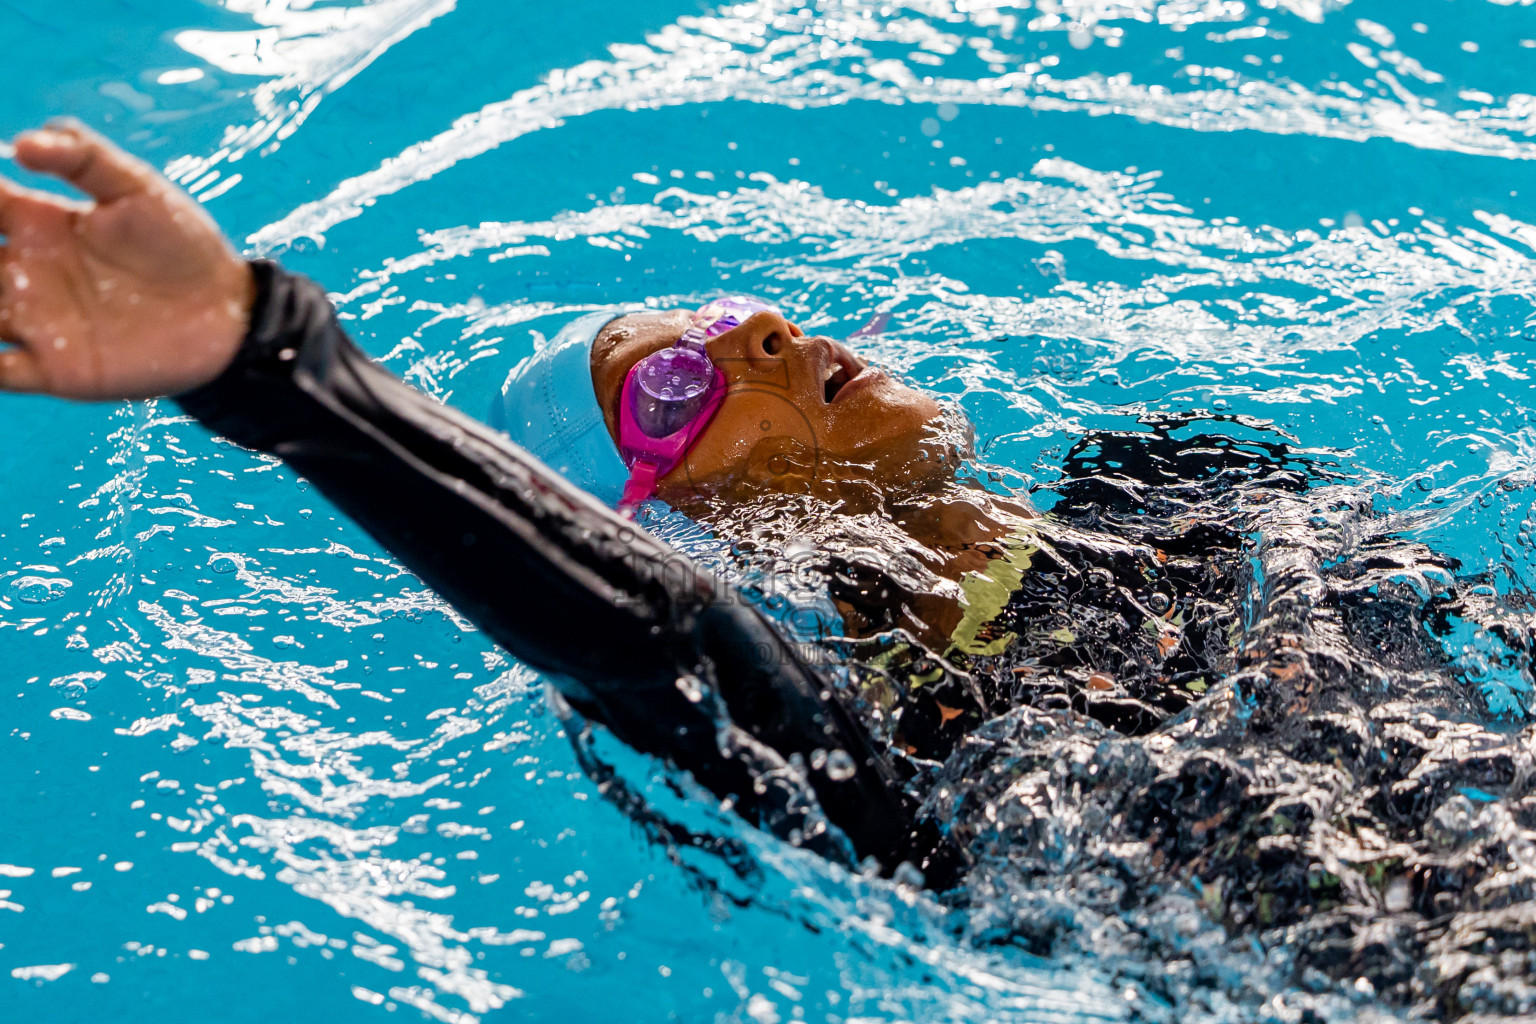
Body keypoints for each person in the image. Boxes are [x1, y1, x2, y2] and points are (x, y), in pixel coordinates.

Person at [7, 122, 1533, 1010]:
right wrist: (273, 366)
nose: (767, 339)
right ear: (675, 523)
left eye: (733, 316)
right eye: (674, 389)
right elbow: (649, 642)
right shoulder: (903, 752)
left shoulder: (1181, 484)